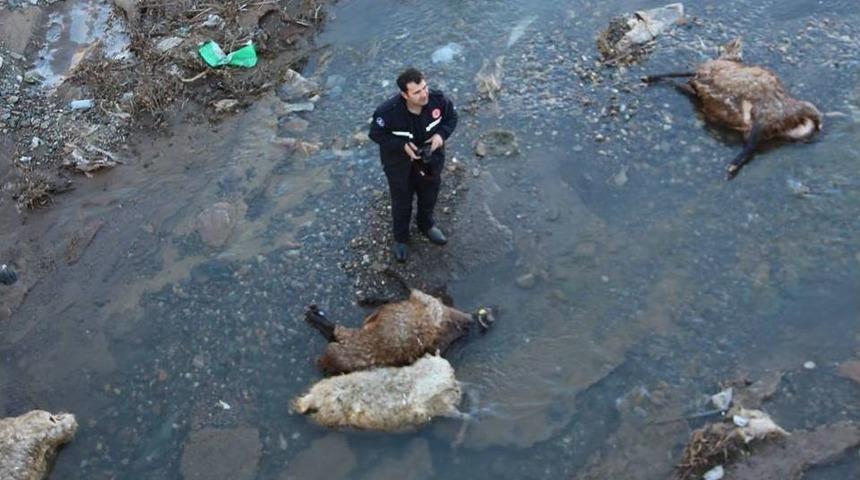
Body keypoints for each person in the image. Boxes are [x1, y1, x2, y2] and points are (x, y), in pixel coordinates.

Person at [369, 68, 458, 262]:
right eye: (417, 92)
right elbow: (375, 134)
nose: (424, 94)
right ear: (404, 94)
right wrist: (401, 146)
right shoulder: (388, 112)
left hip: (430, 159)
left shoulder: (438, 101)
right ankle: (401, 238)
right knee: (401, 202)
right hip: (399, 165)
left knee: (429, 195)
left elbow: (451, 118)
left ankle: (426, 225)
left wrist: (440, 136)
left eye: (424, 88)